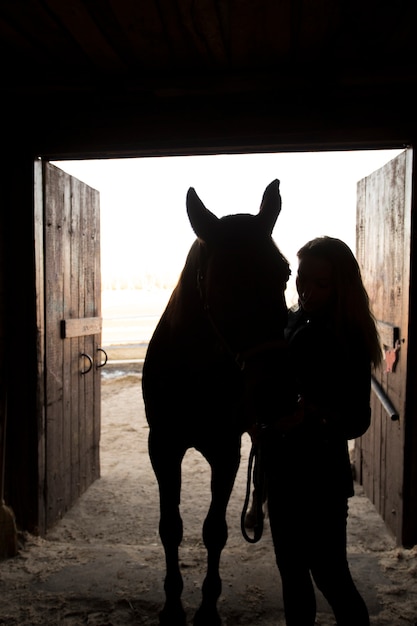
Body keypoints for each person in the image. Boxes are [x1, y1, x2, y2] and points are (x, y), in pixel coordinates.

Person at [264, 236, 382, 626]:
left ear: (340, 286)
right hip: (280, 471)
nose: (307, 290)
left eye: (321, 283)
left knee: (331, 579)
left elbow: (358, 420)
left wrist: (312, 415)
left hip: (320, 480)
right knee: (292, 577)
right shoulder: (294, 320)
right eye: (301, 278)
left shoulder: (349, 337)